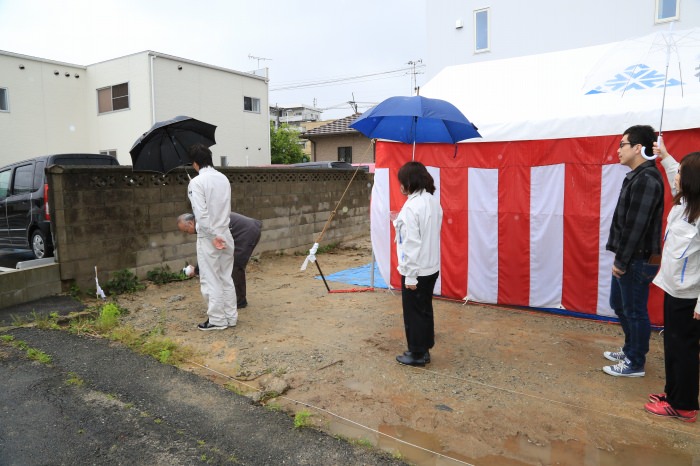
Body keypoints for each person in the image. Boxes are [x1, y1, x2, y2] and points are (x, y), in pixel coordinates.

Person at [644, 140, 700, 422]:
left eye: (681, 172)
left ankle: (684, 406)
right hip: (673, 289)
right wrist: (664, 155)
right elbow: (673, 174)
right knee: (672, 346)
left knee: (684, 349)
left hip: (689, 297)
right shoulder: (687, 204)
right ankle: (674, 393)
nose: (675, 176)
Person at [603, 125, 665, 377]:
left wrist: (621, 260)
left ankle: (635, 361)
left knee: (634, 309)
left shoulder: (647, 180)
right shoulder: (637, 176)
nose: (618, 150)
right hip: (631, 256)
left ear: (638, 148)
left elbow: (635, 227)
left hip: (637, 258)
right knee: (619, 303)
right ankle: (631, 350)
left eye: (622, 145)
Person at [393, 161, 443, 367]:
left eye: (401, 182)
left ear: (409, 182)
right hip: (431, 267)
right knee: (424, 308)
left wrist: (411, 275)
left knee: (414, 312)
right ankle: (424, 346)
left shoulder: (412, 206)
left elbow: (411, 244)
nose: (400, 186)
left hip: (417, 269)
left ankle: (417, 353)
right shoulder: (432, 201)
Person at [187, 144, 237, 331]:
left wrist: (212, 235)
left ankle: (216, 319)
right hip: (226, 232)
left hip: (210, 237)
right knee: (226, 276)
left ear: (195, 163)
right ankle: (230, 317)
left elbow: (201, 214)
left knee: (210, 278)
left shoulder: (197, 182)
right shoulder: (223, 178)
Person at [177, 212, 262, 309]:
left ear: (191, 223)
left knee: (235, 266)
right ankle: (234, 298)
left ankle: (240, 301)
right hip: (245, 230)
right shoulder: (203, 220)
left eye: (186, 230)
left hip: (246, 232)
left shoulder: (204, 226)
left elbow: (207, 253)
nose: (188, 233)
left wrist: (196, 270)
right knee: (230, 264)